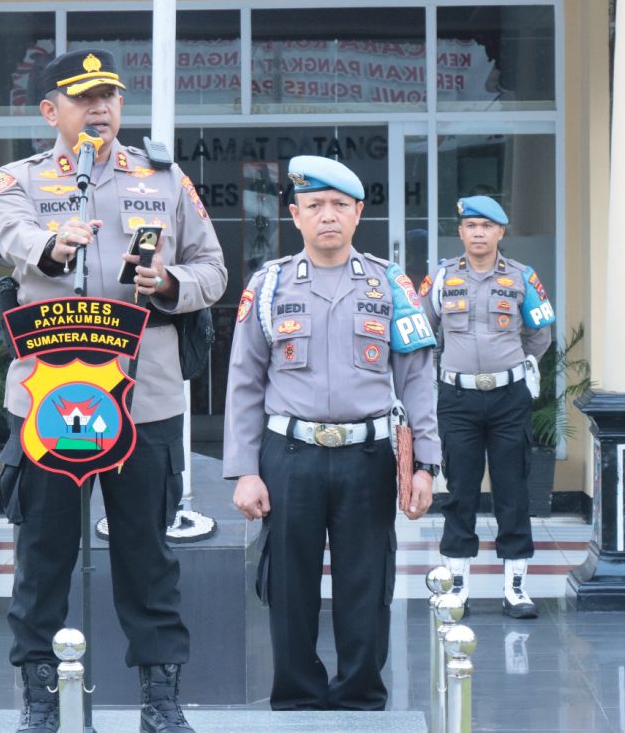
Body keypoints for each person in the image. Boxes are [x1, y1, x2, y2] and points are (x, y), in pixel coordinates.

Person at [0, 48, 227, 733]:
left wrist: (173, 283)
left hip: (144, 396)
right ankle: (40, 700)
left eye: (109, 97)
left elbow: (212, 269)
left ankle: (161, 700)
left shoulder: (165, 178)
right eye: (83, 98)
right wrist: (55, 244)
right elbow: (16, 237)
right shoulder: (18, 180)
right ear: (50, 111)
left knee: (147, 555)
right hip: (53, 396)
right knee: (43, 555)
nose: (99, 109)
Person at [224, 155, 440, 711]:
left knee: (366, 583)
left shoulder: (390, 284)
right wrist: (245, 471)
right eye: (315, 205)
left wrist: (425, 464)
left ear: (358, 213)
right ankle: (297, 698)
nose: (327, 215)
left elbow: (417, 379)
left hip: (367, 456)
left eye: (339, 205)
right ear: (295, 215)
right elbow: (244, 381)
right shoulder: (268, 285)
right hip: (289, 454)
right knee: (288, 584)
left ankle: (360, 698)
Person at [420, 195, 555, 618]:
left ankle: (515, 588)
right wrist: (439, 369)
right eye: (471, 226)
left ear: (500, 232)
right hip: (457, 399)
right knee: (459, 491)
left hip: (508, 398)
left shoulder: (522, 277)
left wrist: (516, 366)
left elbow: (540, 333)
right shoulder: (441, 277)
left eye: (486, 226)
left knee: (513, 490)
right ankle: (457, 585)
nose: (478, 233)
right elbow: (422, 331)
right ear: (460, 232)